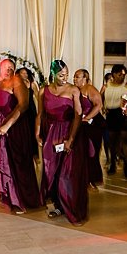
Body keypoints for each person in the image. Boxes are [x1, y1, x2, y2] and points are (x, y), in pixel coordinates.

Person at [0, 57, 43, 213]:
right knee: (4, 162)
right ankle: (9, 198)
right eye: (5, 67)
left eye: (11, 67)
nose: (8, 70)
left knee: (16, 163)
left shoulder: (17, 81)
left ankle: (20, 200)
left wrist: (7, 125)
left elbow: (23, 105)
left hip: (14, 129)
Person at [38, 60, 88, 224]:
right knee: (51, 173)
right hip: (51, 135)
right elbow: (40, 115)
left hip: (69, 132)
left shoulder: (73, 90)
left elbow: (78, 115)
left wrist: (71, 139)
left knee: (67, 175)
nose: (65, 78)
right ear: (53, 74)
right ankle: (58, 205)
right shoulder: (43, 91)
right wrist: (37, 134)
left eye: (66, 74)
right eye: (61, 75)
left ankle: (73, 209)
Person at [101, 64, 127, 178]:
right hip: (111, 114)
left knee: (125, 140)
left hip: (123, 114)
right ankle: (113, 163)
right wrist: (103, 108)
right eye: (120, 74)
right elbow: (100, 99)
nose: (122, 77)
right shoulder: (106, 86)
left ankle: (126, 165)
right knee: (112, 141)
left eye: (124, 75)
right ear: (113, 74)